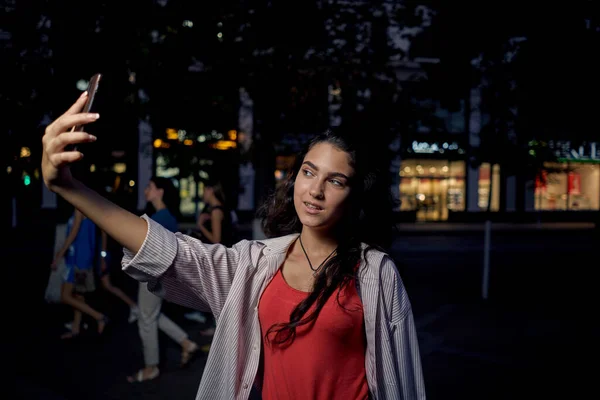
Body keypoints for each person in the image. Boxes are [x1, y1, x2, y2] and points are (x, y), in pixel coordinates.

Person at [41, 93, 425, 399]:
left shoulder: (375, 273)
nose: (316, 190)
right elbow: (167, 250)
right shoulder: (255, 264)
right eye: (308, 172)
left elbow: (403, 383)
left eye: (336, 180)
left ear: (355, 195)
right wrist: (69, 186)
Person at [125, 176, 199, 383]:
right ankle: (186, 343)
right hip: (160, 274)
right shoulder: (165, 216)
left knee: (146, 319)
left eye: (149, 187)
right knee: (150, 315)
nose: (146, 190)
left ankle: (151, 367)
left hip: (152, 274)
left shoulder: (158, 218)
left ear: (160, 192)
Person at [51, 208, 108, 339]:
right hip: (79, 258)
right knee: (78, 295)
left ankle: (99, 317)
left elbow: (73, 232)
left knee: (65, 296)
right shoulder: (84, 207)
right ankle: (76, 328)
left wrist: (59, 254)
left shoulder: (79, 209)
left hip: (79, 261)